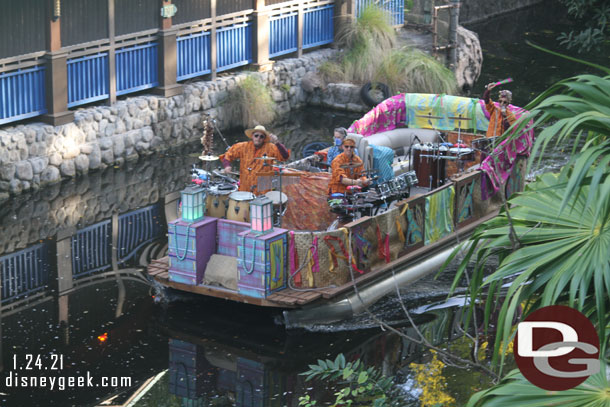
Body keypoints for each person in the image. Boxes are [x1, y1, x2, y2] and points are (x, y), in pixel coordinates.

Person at [221, 125, 290, 194]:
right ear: (252, 136)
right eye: (256, 135)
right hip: (245, 188)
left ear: (264, 138)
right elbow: (227, 155)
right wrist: (227, 166)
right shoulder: (242, 146)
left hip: (263, 190)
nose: (258, 138)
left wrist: (277, 143)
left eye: (261, 136)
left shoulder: (271, 148)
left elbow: (285, 157)